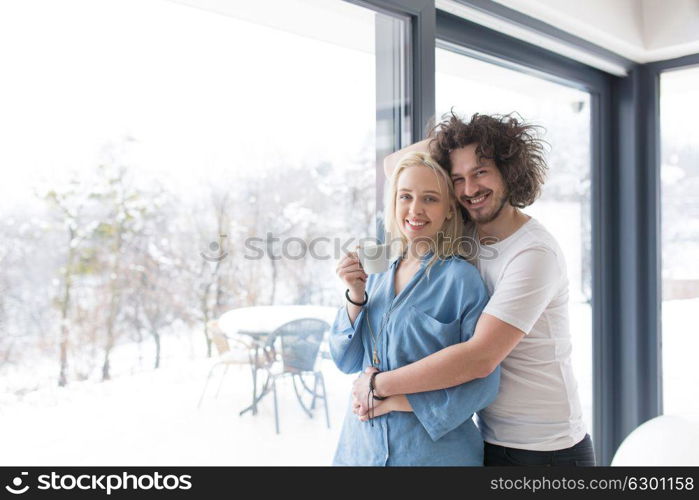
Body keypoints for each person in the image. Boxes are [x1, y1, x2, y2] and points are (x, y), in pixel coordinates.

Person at [352, 113, 596, 466]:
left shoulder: (532, 252)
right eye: (458, 178)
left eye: (481, 172)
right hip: (491, 439)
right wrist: (453, 144)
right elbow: (396, 165)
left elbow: (479, 357)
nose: (469, 189)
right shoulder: (467, 236)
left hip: (547, 449)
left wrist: (378, 386)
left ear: (509, 172)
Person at [329, 152, 500, 466]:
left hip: (433, 457)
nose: (415, 209)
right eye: (405, 196)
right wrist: (355, 294)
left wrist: (397, 401)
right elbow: (346, 360)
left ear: (449, 210)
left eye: (430, 198)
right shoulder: (376, 271)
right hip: (361, 452)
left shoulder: (461, 281)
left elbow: (483, 382)